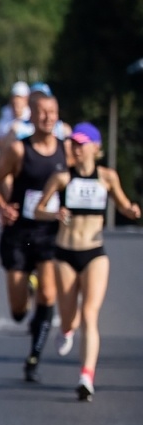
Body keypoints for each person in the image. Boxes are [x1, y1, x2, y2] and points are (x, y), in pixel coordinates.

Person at [31, 122, 140, 401]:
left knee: (90, 314)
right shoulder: (62, 178)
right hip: (65, 254)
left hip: (94, 253)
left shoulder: (107, 177)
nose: (76, 149)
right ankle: (66, 329)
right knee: (69, 317)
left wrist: (131, 210)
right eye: (74, 144)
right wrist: (55, 214)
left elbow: (123, 204)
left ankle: (86, 376)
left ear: (96, 147)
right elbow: (38, 209)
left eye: (81, 144)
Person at [0, 90, 67, 382]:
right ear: (31, 116)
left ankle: (34, 356)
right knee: (19, 310)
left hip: (49, 233)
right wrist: (2, 207)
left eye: (53, 112)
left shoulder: (65, 151)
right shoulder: (19, 150)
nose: (48, 118)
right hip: (20, 232)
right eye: (42, 112)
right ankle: (27, 299)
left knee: (49, 294)